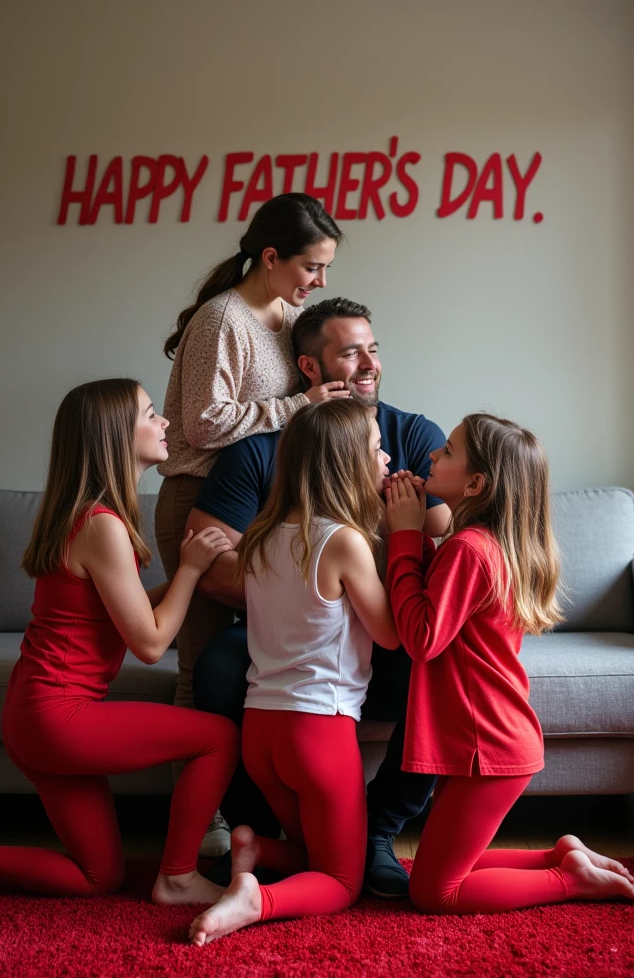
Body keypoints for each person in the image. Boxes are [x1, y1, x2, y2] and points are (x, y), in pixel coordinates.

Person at [187, 297, 451, 897]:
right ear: (310, 366)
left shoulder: (413, 433)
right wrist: (317, 590)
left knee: (428, 650)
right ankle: (266, 831)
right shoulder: (261, 449)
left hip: (357, 634)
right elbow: (208, 561)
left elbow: (445, 546)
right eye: (350, 351)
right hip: (305, 648)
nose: (368, 363)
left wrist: (331, 579)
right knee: (221, 661)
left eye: (373, 348)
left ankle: (376, 826)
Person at [0, 379, 239, 904]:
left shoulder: (86, 515)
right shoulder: (101, 525)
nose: (166, 423)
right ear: (114, 434)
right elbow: (150, 644)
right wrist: (192, 570)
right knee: (218, 736)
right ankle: (177, 876)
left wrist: (186, 579)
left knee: (98, 878)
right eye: (152, 414)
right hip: (57, 718)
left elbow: (118, 609)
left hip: (30, 716)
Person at [383, 413, 634, 913]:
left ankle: (573, 883)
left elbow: (421, 638)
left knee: (435, 892)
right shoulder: (485, 544)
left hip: (488, 745)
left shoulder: (468, 548)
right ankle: (560, 856)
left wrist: (402, 538)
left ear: (476, 483)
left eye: (449, 451)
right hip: (490, 737)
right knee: (445, 864)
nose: (434, 454)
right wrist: (415, 537)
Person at [156, 193, 345, 854]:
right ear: (270, 256)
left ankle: (247, 810)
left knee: (249, 665)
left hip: (258, 505)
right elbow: (204, 424)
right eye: (311, 267)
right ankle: (196, 826)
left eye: (324, 269)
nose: (319, 282)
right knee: (197, 666)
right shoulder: (222, 319)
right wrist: (299, 404)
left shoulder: (288, 318)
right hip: (199, 498)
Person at [189, 400, 401, 946]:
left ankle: (253, 848)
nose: (387, 457)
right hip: (319, 729)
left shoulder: (259, 538)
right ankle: (259, 898)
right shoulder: (343, 541)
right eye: (376, 448)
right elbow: (391, 635)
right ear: (348, 462)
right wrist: (403, 540)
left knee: (315, 852)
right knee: (342, 880)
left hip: (261, 728)